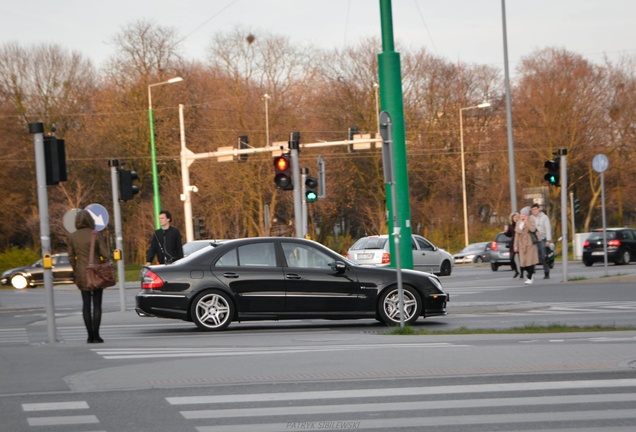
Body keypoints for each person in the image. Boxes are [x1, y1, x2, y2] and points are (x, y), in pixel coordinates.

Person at [67, 210, 111, 343]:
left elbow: (70, 257)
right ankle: (97, 335)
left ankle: (89, 336)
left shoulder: (73, 236)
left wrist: (77, 269)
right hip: (96, 272)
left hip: (81, 273)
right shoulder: (95, 234)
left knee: (86, 304)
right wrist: (102, 263)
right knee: (97, 305)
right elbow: (106, 254)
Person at [514, 207, 539, 285]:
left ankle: (530, 277)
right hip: (521, 243)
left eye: (523, 214)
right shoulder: (518, 222)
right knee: (523, 262)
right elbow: (517, 234)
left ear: (526, 214)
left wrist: (526, 222)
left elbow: (532, 229)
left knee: (530, 261)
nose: (521, 215)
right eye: (521, 214)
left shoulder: (531, 220)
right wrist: (515, 246)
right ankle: (529, 274)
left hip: (529, 243)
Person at [530, 203, 552, 279]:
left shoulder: (544, 217)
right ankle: (531, 272)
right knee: (533, 256)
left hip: (542, 239)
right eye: (532, 210)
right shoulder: (530, 218)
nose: (534, 211)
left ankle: (546, 272)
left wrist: (548, 240)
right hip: (534, 239)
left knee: (543, 257)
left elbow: (548, 229)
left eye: (535, 209)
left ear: (538, 209)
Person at [505, 212, 520, 278]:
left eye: (516, 217)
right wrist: (505, 233)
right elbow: (509, 234)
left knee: (521, 258)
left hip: (520, 242)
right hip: (513, 242)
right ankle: (516, 271)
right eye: (514, 217)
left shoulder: (520, 224)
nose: (515, 218)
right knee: (511, 258)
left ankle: (522, 272)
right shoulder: (510, 225)